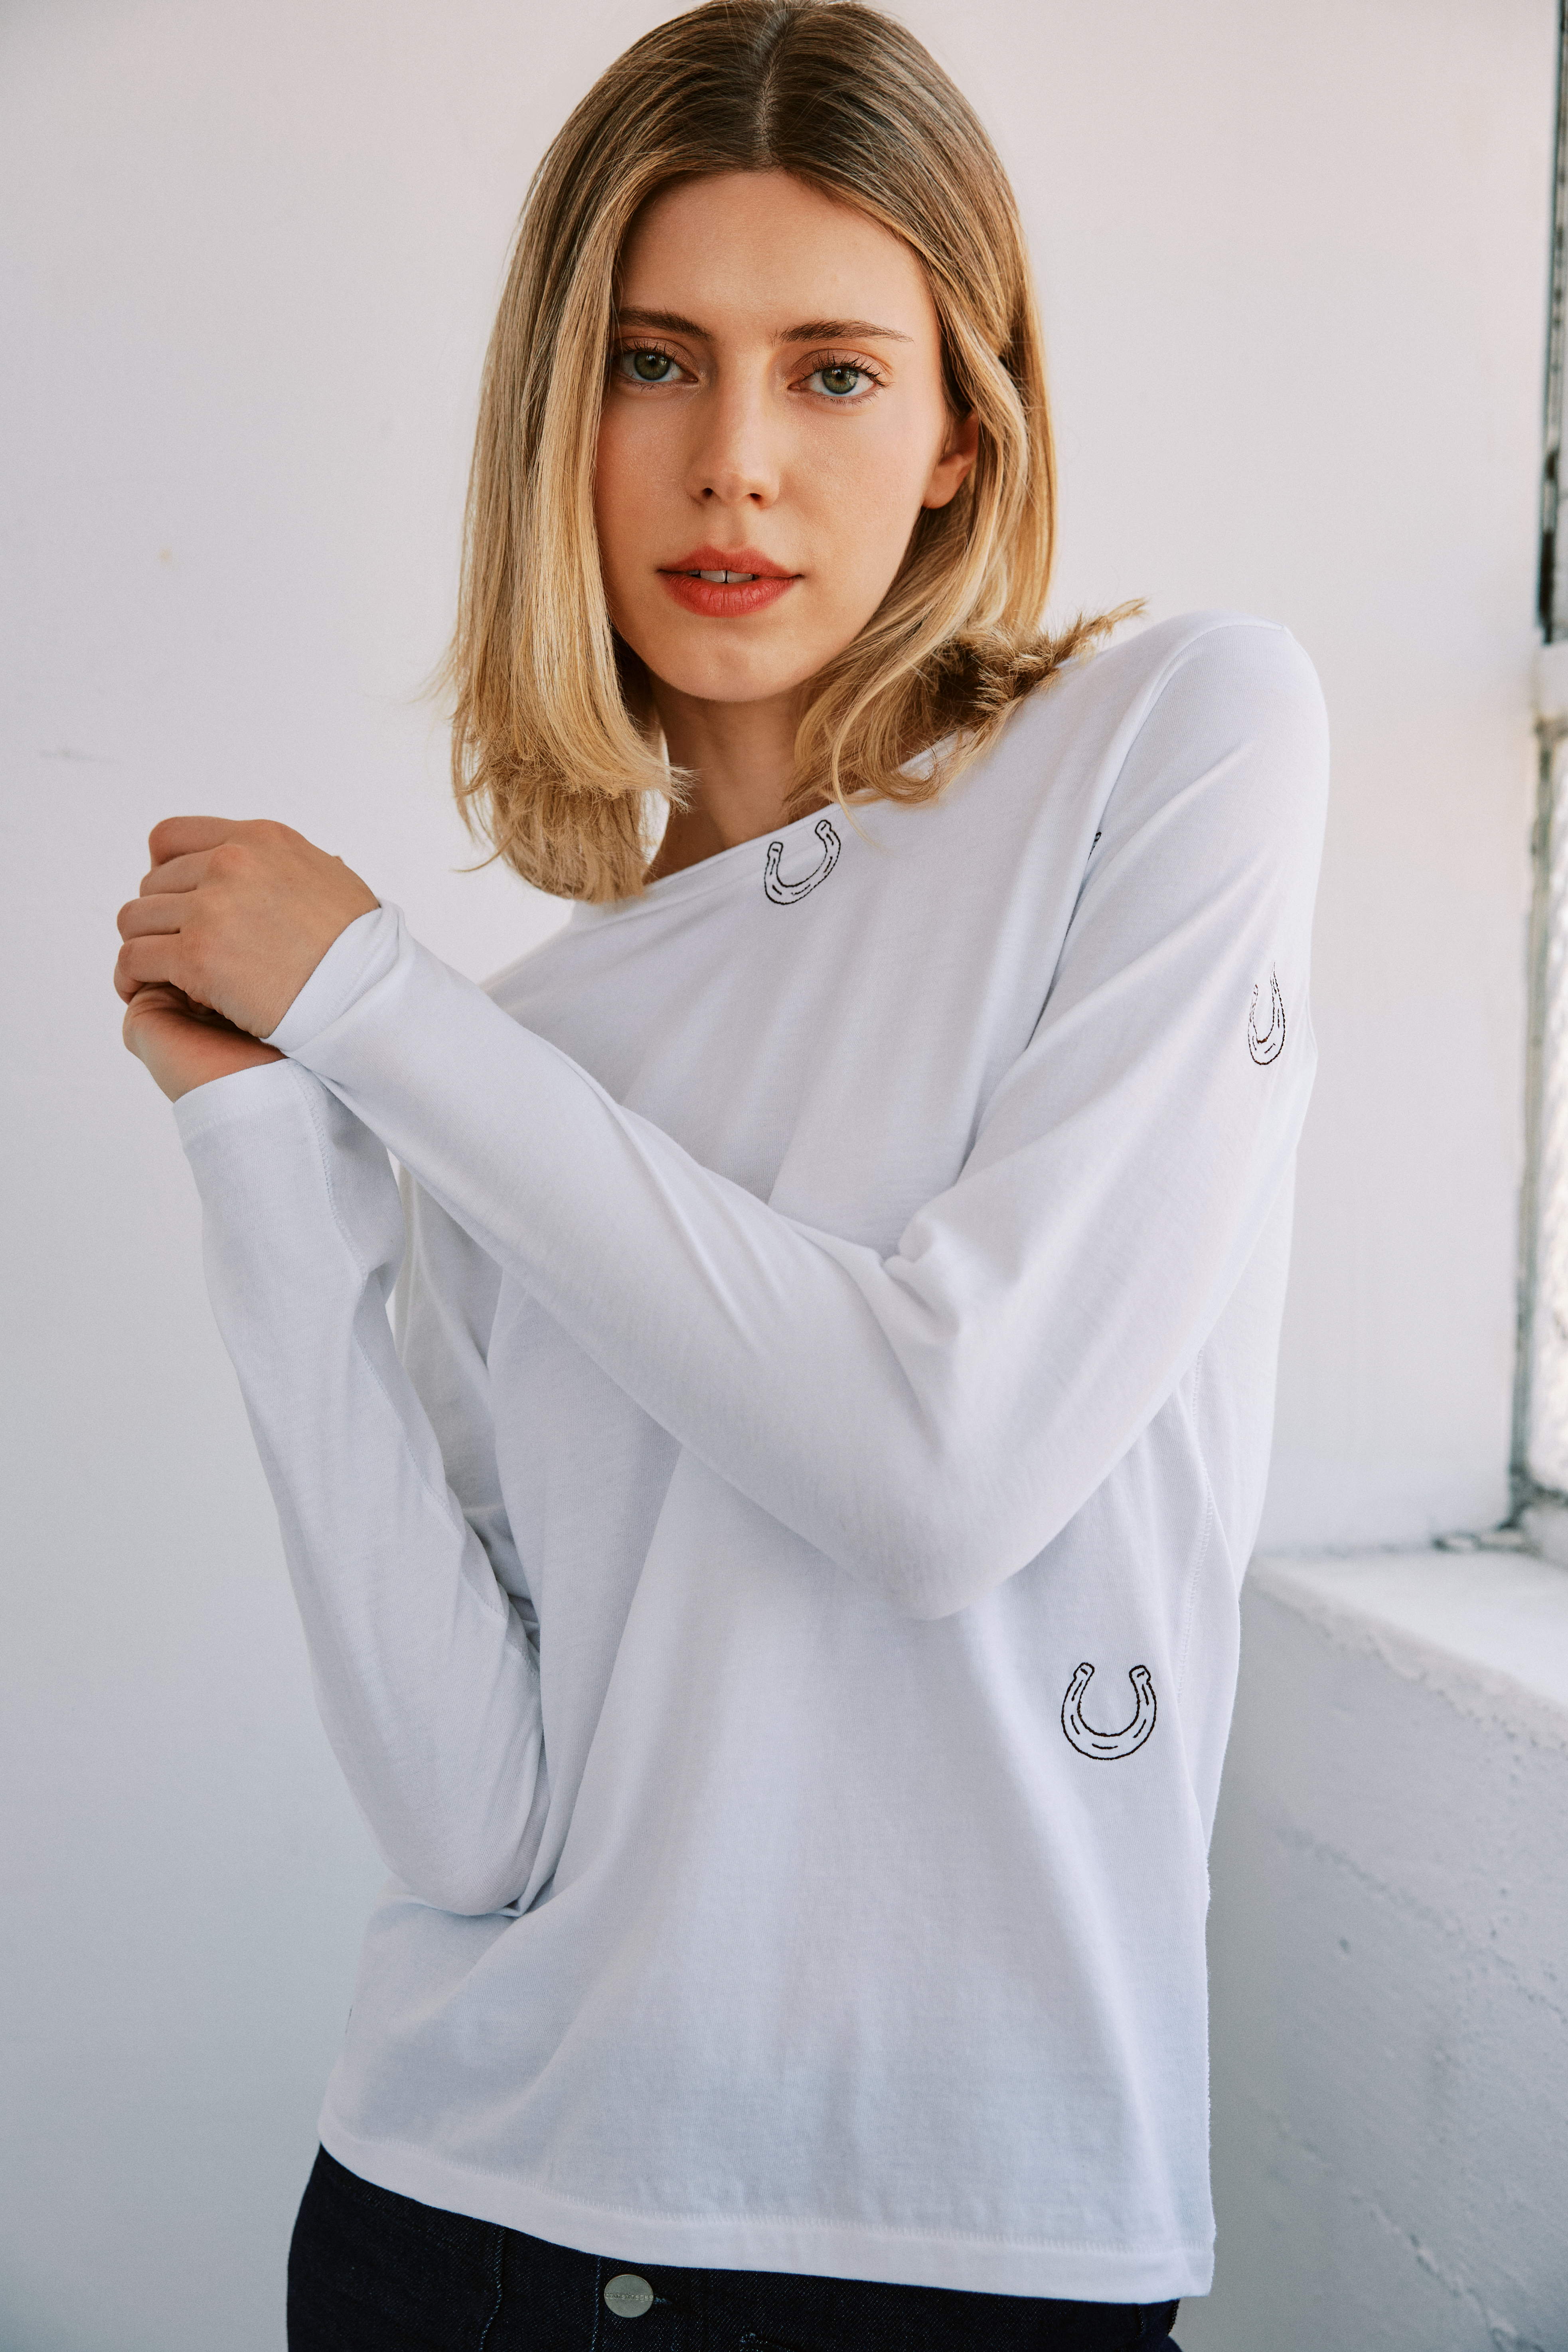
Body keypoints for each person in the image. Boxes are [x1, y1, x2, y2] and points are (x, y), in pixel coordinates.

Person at [113, 3, 1327, 2345]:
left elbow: (942, 1470)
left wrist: (376, 1013)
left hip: (978, 2250)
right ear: (555, 420)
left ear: (969, 428)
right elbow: (475, 1824)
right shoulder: (517, 1051)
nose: (734, 466)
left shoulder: (1181, 743)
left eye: (834, 371)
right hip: (456, 2222)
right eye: (652, 363)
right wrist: (266, 1148)